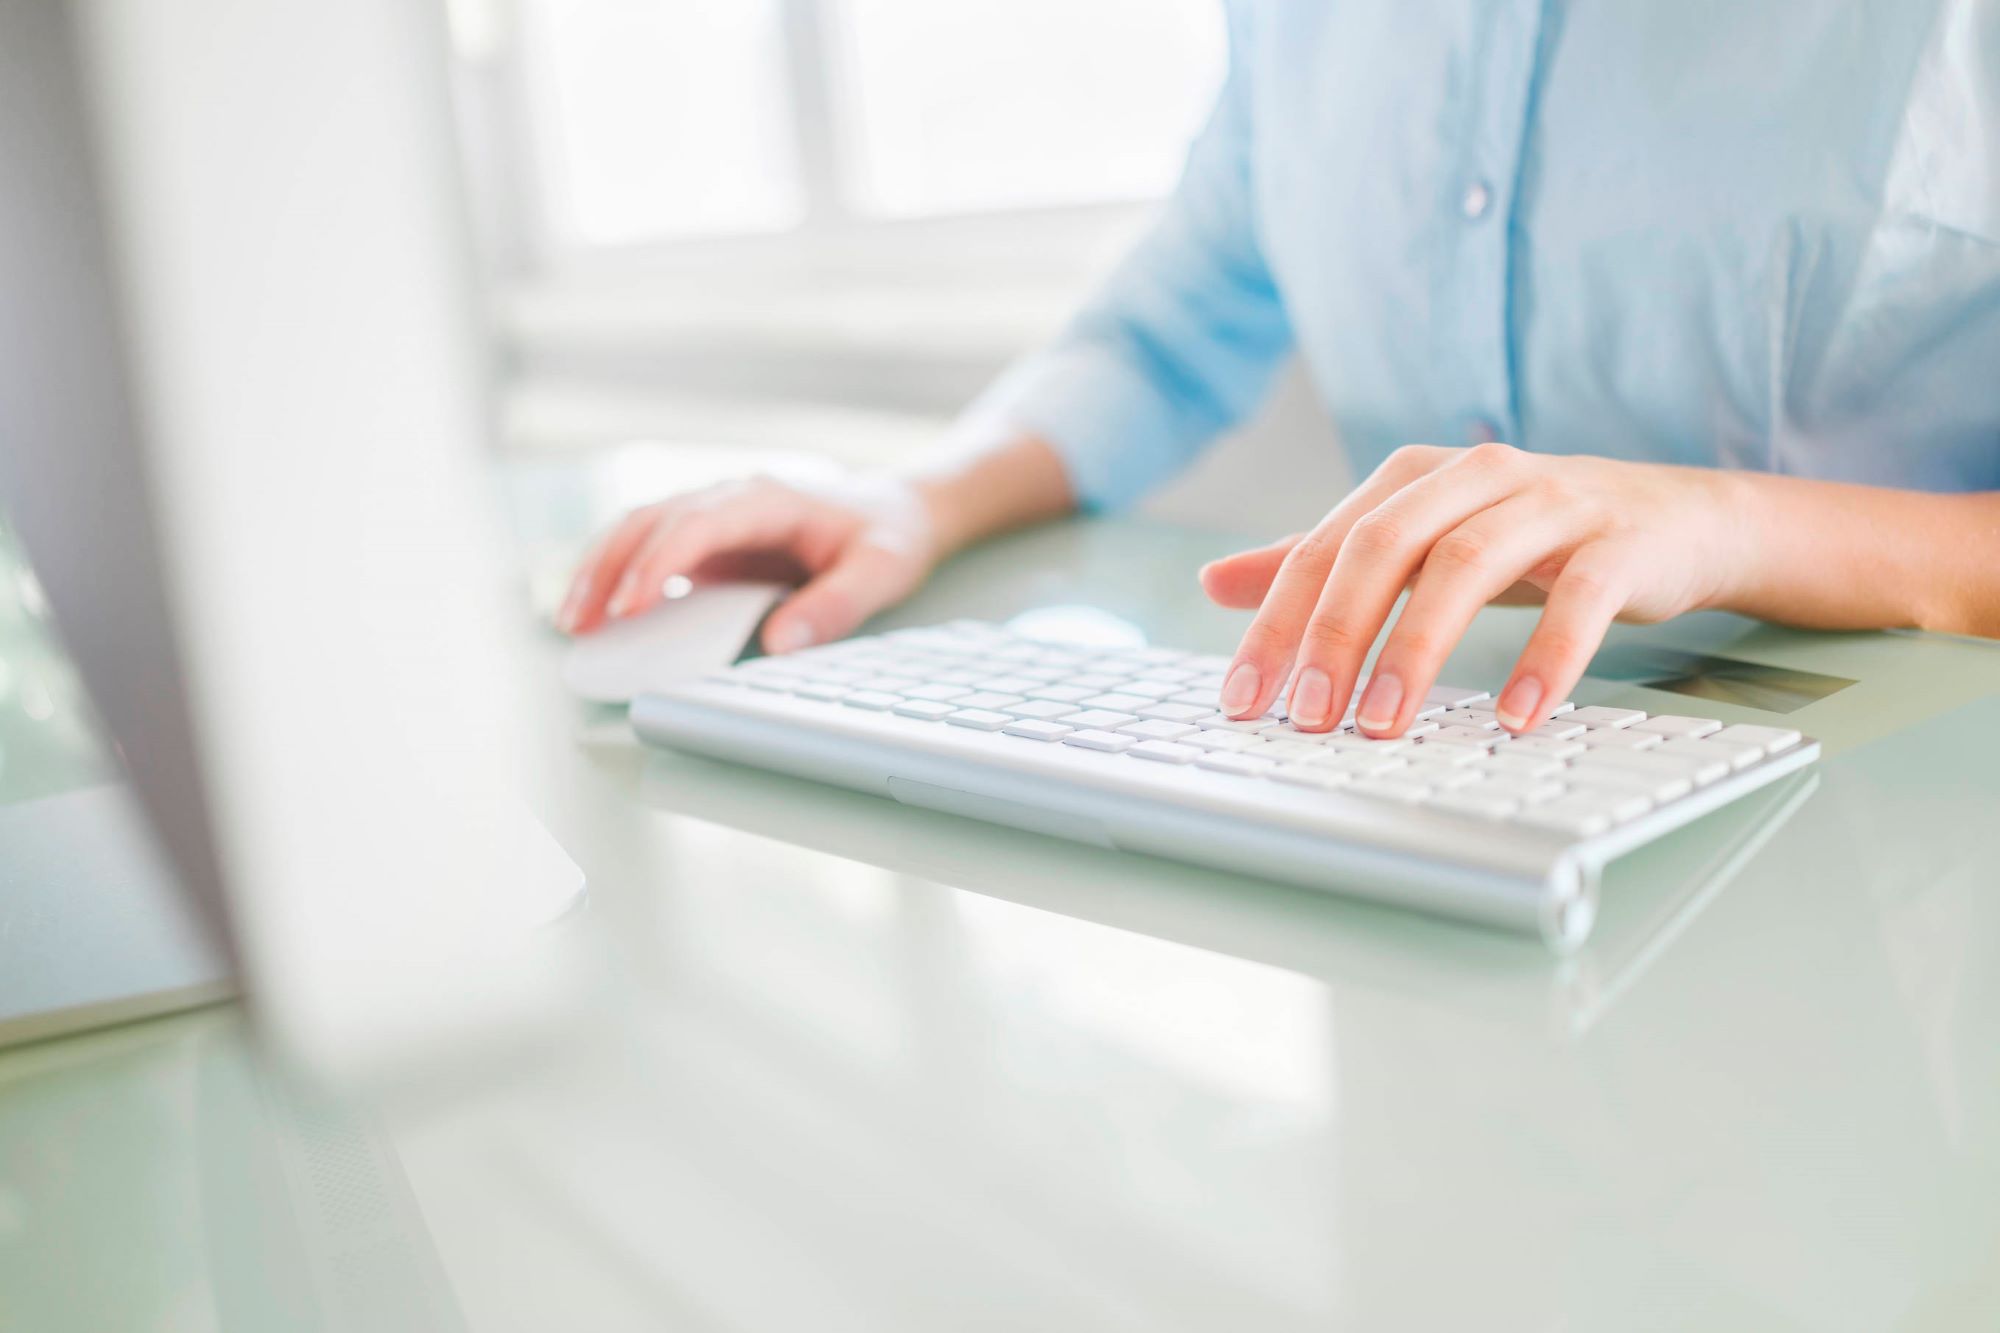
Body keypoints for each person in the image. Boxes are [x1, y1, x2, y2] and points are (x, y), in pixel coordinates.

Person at [560, 1, 2000, 740]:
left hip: (1899, 846)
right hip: (1418, 784)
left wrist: (1735, 522)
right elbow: (1170, 318)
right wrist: (916, 496)